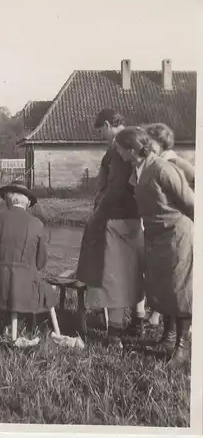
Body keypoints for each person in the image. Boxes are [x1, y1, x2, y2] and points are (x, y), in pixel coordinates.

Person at [115, 126, 194, 367]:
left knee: (179, 289)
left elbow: (190, 203)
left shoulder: (162, 168)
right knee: (163, 287)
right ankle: (167, 338)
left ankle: (182, 349)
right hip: (155, 235)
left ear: (130, 149)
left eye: (119, 148)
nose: (117, 152)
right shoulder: (137, 169)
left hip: (176, 235)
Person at [75, 109, 145, 348]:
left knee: (114, 274)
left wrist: (98, 215)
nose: (101, 136)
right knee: (133, 270)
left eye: (100, 131)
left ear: (107, 125)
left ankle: (114, 333)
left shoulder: (117, 148)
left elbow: (114, 187)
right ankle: (138, 320)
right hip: (135, 216)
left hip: (115, 217)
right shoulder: (134, 142)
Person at [0, 180, 58, 333]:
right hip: (26, 289)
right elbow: (41, 263)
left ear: (8, 201)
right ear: (27, 203)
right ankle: (23, 322)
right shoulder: (37, 225)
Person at [143, 123, 195, 329]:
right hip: (164, 229)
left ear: (161, 143)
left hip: (181, 226)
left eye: (150, 142)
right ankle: (168, 332)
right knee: (167, 282)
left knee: (179, 283)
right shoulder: (156, 163)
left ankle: (180, 336)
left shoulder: (175, 162)